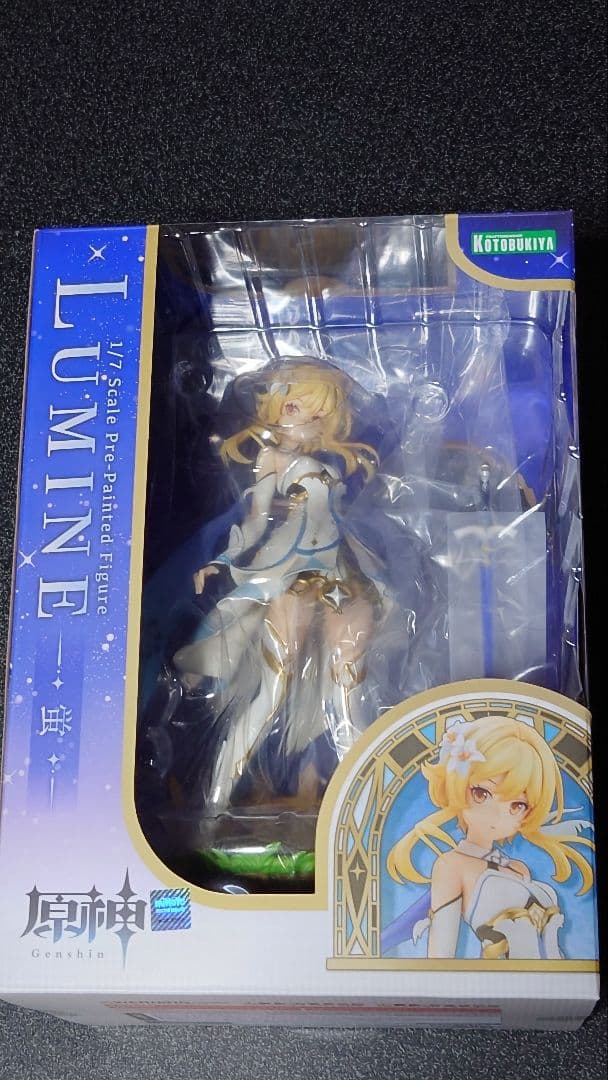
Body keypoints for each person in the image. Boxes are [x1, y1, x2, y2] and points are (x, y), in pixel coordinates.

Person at [174, 359, 387, 816]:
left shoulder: (334, 464)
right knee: (272, 691)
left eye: (319, 414)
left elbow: (342, 520)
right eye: (296, 407)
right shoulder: (270, 458)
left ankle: (369, 809)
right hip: (291, 571)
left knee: (347, 696)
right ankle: (215, 802)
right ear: (273, 407)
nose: (308, 420)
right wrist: (222, 562)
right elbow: (255, 523)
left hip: (341, 570)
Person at [384, 715, 594, 959]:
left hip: (558, 978)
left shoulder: (518, 868)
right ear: (457, 786)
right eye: (482, 793)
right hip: (500, 980)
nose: (496, 815)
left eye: (517, 805)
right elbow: (441, 957)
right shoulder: (452, 865)